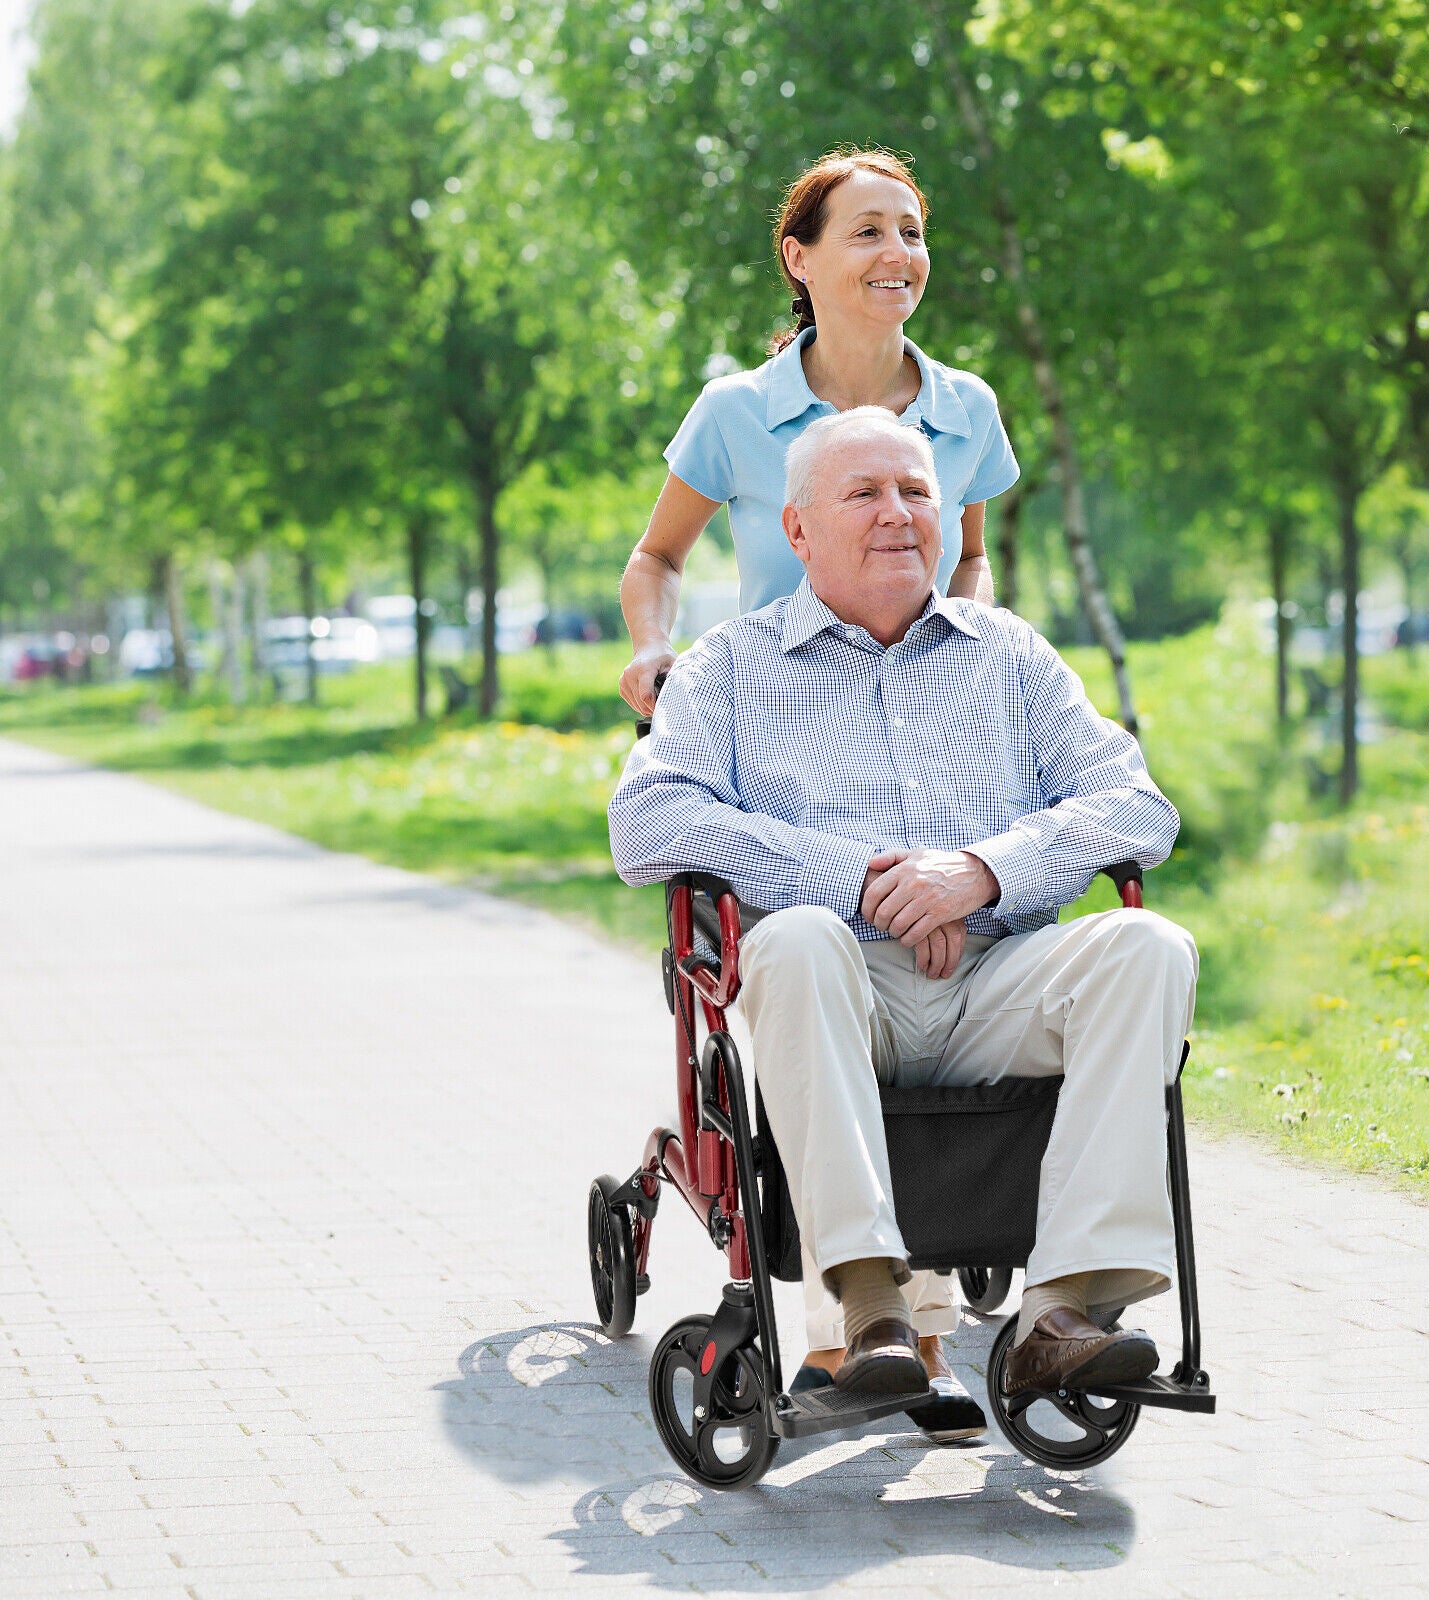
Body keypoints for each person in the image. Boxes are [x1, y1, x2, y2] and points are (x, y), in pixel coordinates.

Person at [609, 410, 1197, 1404]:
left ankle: (1065, 1311)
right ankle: (870, 1308)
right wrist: (860, 880)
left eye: (916, 492)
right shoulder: (730, 665)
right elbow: (648, 819)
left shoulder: (1006, 654)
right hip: (842, 987)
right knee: (792, 938)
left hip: (997, 981)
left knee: (1149, 946)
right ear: (796, 531)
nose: (898, 514)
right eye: (865, 493)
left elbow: (1135, 804)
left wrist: (977, 871)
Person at [618, 146, 1020, 1438]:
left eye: (913, 230)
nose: (898, 254)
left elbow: (972, 565)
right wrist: (648, 649)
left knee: (942, 975)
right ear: (800, 260)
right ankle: (872, 1326)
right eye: (868, 231)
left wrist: (968, 663)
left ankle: (904, 1326)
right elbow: (657, 558)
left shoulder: (965, 404)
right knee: (815, 970)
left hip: (925, 727)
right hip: (780, 735)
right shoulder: (738, 411)